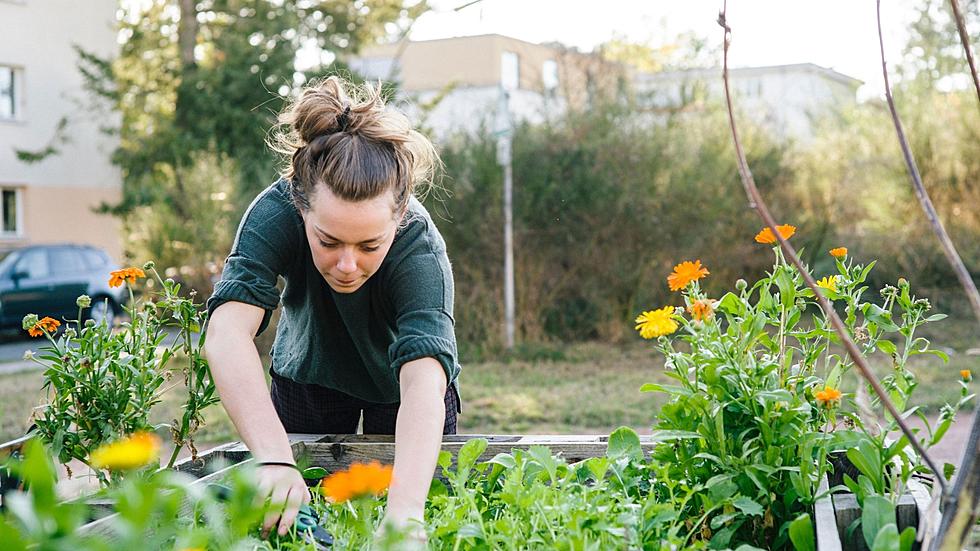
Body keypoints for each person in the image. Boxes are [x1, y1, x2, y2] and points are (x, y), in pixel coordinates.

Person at [203, 75, 461, 541]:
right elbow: (226, 334)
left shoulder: (421, 250)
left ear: (399, 216)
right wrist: (276, 461)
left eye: (368, 245)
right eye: (327, 241)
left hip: (402, 394)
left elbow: (425, 378)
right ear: (301, 206)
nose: (346, 265)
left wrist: (406, 514)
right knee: (289, 519)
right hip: (309, 377)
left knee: (414, 512)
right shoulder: (275, 211)